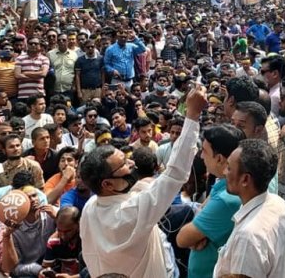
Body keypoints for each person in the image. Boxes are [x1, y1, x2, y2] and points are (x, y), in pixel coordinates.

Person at [79, 85, 207, 277]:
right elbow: (175, 174)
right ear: (107, 184)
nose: (131, 163)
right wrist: (192, 115)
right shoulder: (132, 211)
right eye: (123, 164)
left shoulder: (90, 208)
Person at [213, 139, 285, 278]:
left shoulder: (247, 238)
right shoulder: (277, 203)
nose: (224, 172)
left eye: (229, 168)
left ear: (245, 180)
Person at [177, 123, 245, 278]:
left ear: (220, 158)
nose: (201, 156)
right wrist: (200, 232)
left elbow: (182, 238)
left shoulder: (227, 199)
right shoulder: (224, 183)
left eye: (205, 151)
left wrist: (196, 233)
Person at [0, 186, 57, 277]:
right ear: (19, 204)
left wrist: (57, 218)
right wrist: (37, 270)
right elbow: (13, 268)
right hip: (29, 270)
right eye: (28, 198)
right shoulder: (14, 229)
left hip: (54, 264)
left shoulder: (51, 213)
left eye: (34, 195)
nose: (33, 200)